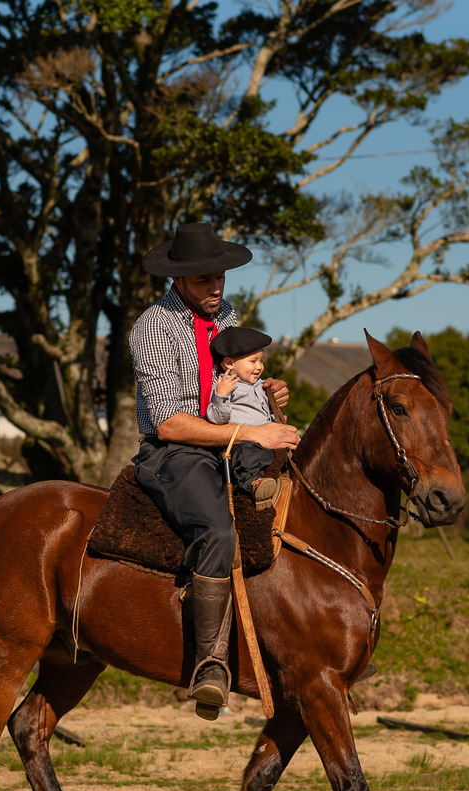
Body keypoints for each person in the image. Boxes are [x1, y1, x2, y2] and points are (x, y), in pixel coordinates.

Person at [129, 222, 300, 720]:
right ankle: (211, 665)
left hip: (230, 440)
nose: (216, 288)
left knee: (298, 506)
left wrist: (266, 390)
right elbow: (169, 422)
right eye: (205, 280)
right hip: (174, 452)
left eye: (220, 277)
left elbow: (238, 371)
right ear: (178, 281)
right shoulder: (152, 327)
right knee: (219, 530)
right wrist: (251, 434)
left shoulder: (224, 314)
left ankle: (310, 645)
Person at [205, 326, 284, 506]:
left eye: (261, 361)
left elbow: (263, 414)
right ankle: (255, 483)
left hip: (265, 441)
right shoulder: (225, 386)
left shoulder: (260, 386)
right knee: (245, 455)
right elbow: (216, 418)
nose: (259, 367)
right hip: (243, 442)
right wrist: (222, 396)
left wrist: (276, 420)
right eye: (253, 361)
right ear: (229, 363)